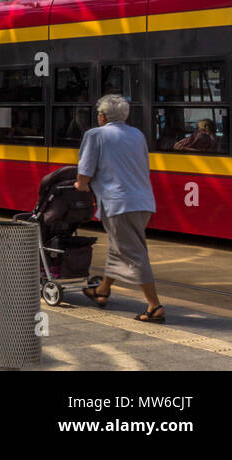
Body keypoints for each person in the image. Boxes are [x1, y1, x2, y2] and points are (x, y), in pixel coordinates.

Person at [78, 94, 164, 322]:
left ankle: (154, 306)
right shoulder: (137, 135)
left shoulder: (95, 135)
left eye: (98, 114)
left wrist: (81, 184)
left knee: (134, 253)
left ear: (103, 116)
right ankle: (103, 290)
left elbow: (85, 170)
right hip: (143, 202)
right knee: (119, 248)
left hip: (119, 203)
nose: (98, 117)